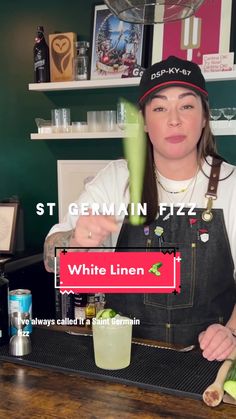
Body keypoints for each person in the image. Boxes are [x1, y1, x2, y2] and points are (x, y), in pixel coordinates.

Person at [44, 56, 236, 361]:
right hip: (120, 358)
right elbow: (53, 262)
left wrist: (232, 331)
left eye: (186, 106)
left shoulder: (231, 185)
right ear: (145, 121)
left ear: (204, 117)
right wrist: (76, 244)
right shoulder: (117, 179)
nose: (174, 120)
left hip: (209, 361)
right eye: (160, 108)